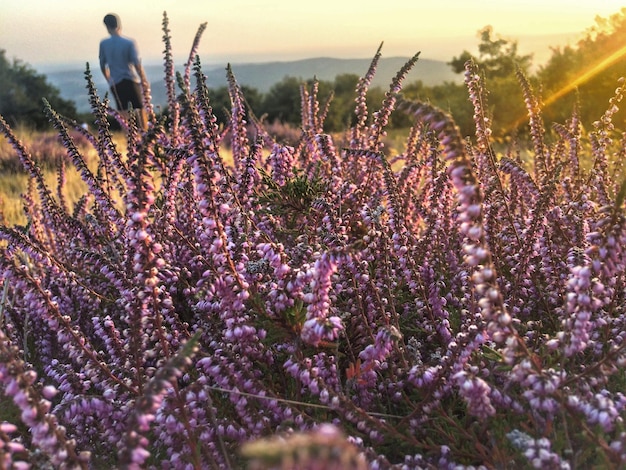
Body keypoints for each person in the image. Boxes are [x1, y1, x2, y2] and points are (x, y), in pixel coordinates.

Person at [99, 13, 147, 129]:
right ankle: (146, 136)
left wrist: (109, 80)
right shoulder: (129, 42)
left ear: (106, 26)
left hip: (116, 82)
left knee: (123, 113)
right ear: (119, 24)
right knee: (141, 109)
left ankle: (129, 141)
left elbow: (102, 65)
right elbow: (136, 64)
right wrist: (143, 79)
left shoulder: (104, 44)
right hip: (131, 79)